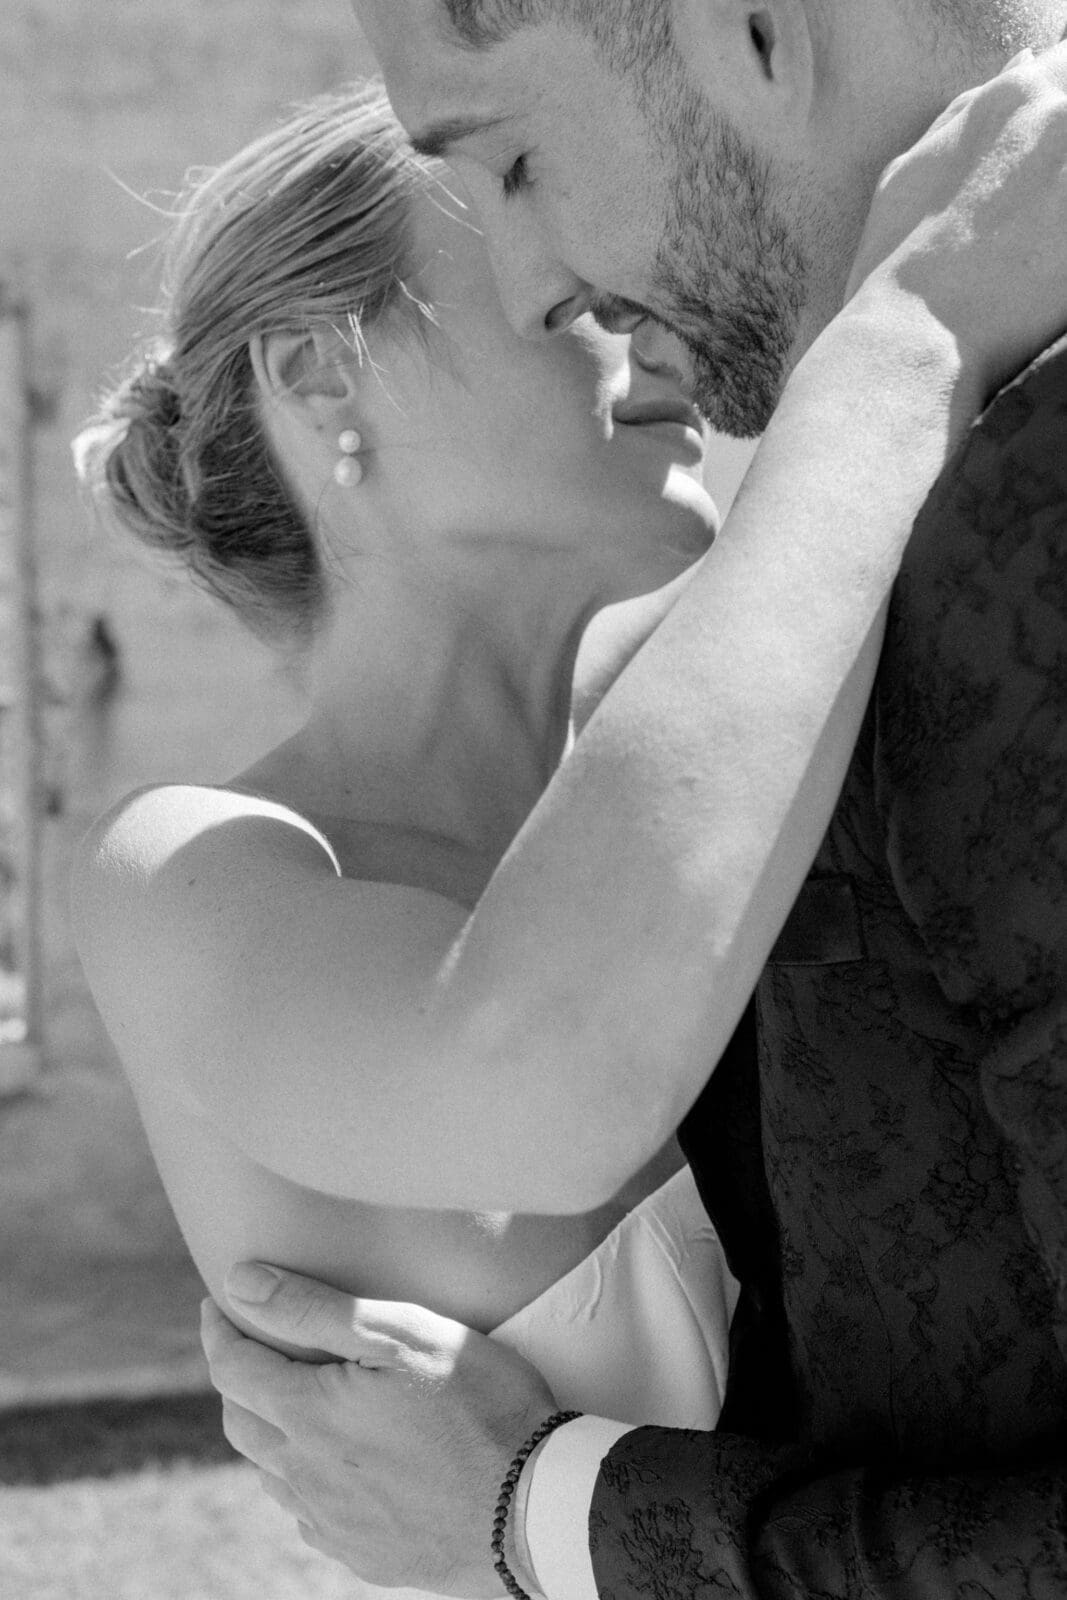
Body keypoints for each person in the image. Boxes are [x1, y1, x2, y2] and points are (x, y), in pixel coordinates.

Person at [197, 5, 1067, 1598]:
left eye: (516, 159)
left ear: (754, 33)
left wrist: (547, 1508)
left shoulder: (1032, 475)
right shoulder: (832, 552)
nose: (542, 288)